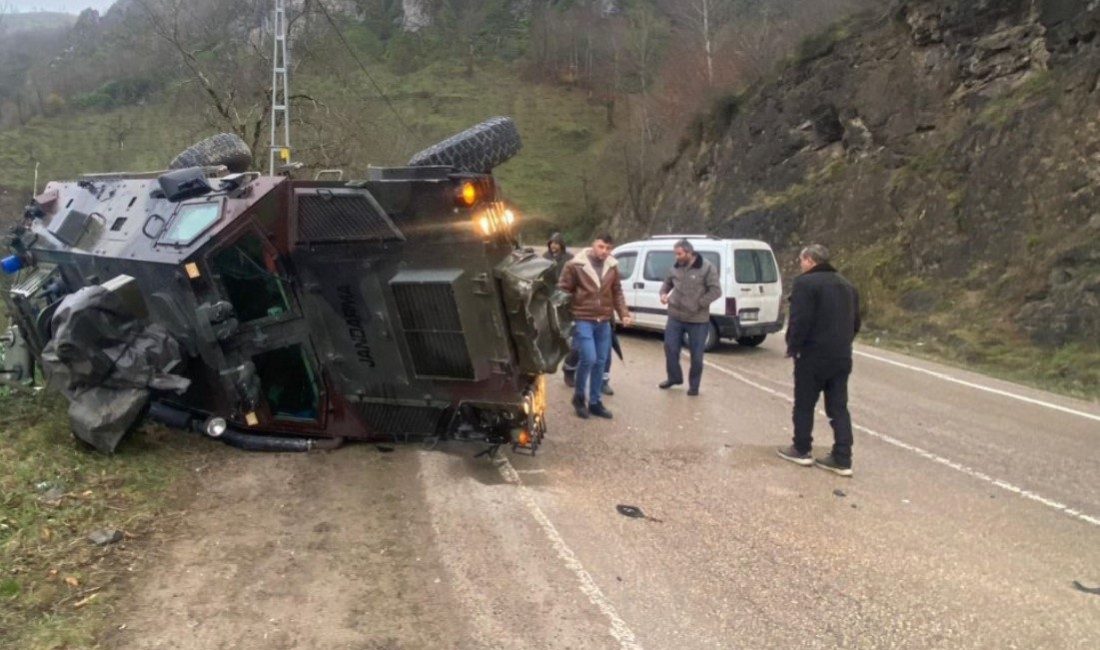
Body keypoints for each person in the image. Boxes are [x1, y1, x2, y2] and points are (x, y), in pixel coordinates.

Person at [777, 244, 861, 477]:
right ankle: (843, 457)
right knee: (838, 406)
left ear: (810, 260)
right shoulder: (848, 285)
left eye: (801, 260)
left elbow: (800, 320)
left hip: (812, 354)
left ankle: (801, 448)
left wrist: (794, 346)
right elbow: (855, 322)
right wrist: (843, 343)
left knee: (804, 403)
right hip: (841, 355)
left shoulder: (805, 283)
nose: (800, 265)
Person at [558, 233, 634, 419]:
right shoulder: (575, 265)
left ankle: (595, 402)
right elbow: (562, 292)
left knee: (601, 361)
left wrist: (624, 313)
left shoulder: (612, 266)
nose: (604, 251)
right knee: (589, 358)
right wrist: (567, 318)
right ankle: (579, 398)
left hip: (603, 321)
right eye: (601, 246)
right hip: (583, 318)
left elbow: (617, 292)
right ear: (593, 244)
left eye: (608, 248)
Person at [658, 239, 721, 396]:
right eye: (675, 254)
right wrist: (663, 294)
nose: (676, 257)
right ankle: (674, 378)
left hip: (697, 319)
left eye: (679, 254)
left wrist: (699, 304)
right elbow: (667, 283)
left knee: (697, 356)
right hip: (675, 316)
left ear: (689, 253)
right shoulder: (675, 267)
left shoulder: (707, 268)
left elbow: (716, 291)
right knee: (670, 348)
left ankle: (694, 386)